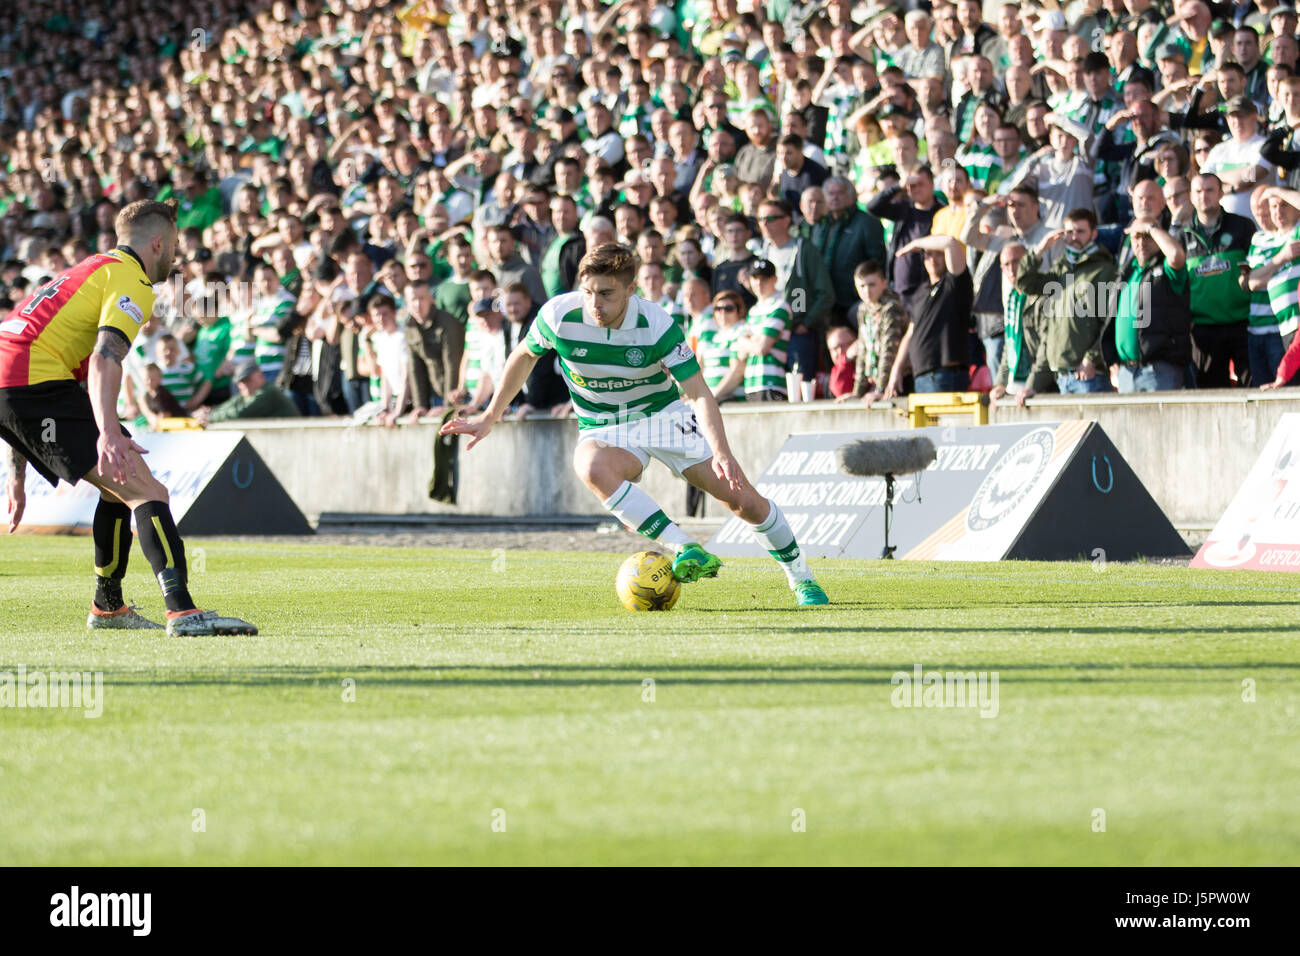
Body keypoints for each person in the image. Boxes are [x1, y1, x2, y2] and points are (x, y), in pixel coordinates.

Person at [440, 244, 828, 607]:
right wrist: (490, 416)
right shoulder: (559, 314)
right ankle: (683, 545)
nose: (595, 304)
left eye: (607, 294)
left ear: (631, 289)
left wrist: (723, 452)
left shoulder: (656, 323)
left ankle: (801, 577)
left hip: (663, 416)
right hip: (604, 424)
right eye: (589, 292)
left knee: (742, 501)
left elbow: (698, 392)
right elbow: (524, 356)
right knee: (591, 467)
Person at [0, 200, 255, 636]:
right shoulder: (132, 280)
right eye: (173, 244)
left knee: (118, 490)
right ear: (158, 242)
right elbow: (103, 359)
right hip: (34, 384)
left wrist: (17, 473)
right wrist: (108, 433)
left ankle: (109, 608)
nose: (174, 255)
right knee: (147, 490)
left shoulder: (89, 268)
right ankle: (184, 612)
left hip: (19, 381)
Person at [1013, 208, 1119, 397]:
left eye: (1080, 231)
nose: (1074, 237)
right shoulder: (1061, 269)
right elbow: (1025, 282)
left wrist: (1091, 359)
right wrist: (1040, 250)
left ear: (1093, 234)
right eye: (1069, 232)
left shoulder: (1104, 270)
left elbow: (1110, 322)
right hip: (1062, 376)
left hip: (1089, 376)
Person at [1100, 220, 1193, 392]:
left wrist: (1152, 228)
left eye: (1147, 237)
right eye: (1136, 237)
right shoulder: (1127, 272)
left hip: (1159, 371)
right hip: (1127, 371)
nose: (1141, 242)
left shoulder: (1166, 269)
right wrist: (1113, 359)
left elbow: (1176, 255)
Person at [884, 234, 973, 395]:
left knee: (947, 421)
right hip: (922, 374)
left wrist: (916, 242)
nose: (933, 259)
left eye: (938, 253)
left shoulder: (955, 284)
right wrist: (896, 369)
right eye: (928, 254)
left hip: (946, 374)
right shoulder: (921, 292)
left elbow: (950, 243)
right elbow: (910, 333)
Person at [841, 260, 906, 406]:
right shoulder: (863, 309)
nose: (867, 291)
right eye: (862, 286)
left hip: (898, 381)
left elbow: (889, 350)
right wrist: (857, 391)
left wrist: (880, 389)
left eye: (872, 284)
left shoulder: (891, 308)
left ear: (884, 283)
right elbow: (863, 350)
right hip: (877, 382)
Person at [195, 360, 301, 422]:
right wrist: (211, 411)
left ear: (260, 376)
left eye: (247, 380)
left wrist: (210, 417)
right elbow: (232, 404)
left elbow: (240, 413)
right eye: (240, 382)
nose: (242, 385)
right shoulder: (251, 393)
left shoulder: (269, 392)